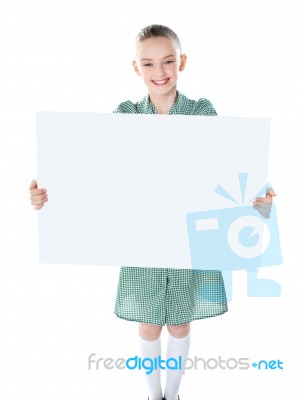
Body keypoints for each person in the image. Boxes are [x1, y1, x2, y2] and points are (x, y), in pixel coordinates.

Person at [29, 24, 276, 400]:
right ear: (135, 68)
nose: (159, 72)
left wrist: (258, 205)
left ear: (182, 62)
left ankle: (173, 395)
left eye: (168, 61)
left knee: (179, 324)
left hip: (189, 242)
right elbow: (96, 174)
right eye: (148, 64)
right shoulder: (124, 114)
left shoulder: (202, 112)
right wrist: (50, 197)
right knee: (147, 326)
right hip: (142, 240)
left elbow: (225, 173)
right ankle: (152, 394)